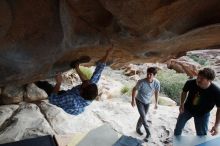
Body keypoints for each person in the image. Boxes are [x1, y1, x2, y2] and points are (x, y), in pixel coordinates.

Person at [36, 47, 113, 115]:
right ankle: (76, 66)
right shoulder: (90, 87)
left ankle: (35, 81)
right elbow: (99, 69)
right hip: (78, 99)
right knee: (85, 81)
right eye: (89, 82)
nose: (88, 82)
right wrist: (108, 54)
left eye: (85, 84)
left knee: (48, 87)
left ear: (81, 91)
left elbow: (53, 99)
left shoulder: (71, 99)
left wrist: (59, 82)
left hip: (72, 108)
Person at [174, 68, 220, 136]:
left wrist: (216, 125)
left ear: (209, 80)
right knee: (178, 128)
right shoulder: (190, 83)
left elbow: (219, 108)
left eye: (202, 78)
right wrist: (182, 104)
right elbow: (184, 92)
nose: (198, 80)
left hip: (202, 114)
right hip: (187, 109)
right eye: (198, 77)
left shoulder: (216, 91)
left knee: (201, 135)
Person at [131, 67, 160, 142]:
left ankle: (137, 129)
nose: (148, 76)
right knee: (143, 117)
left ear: (154, 75)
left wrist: (156, 103)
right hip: (139, 100)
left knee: (142, 116)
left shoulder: (157, 82)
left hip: (148, 102)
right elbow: (134, 89)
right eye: (148, 74)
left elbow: (157, 92)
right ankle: (148, 134)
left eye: (150, 74)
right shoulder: (141, 82)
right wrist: (133, 100)